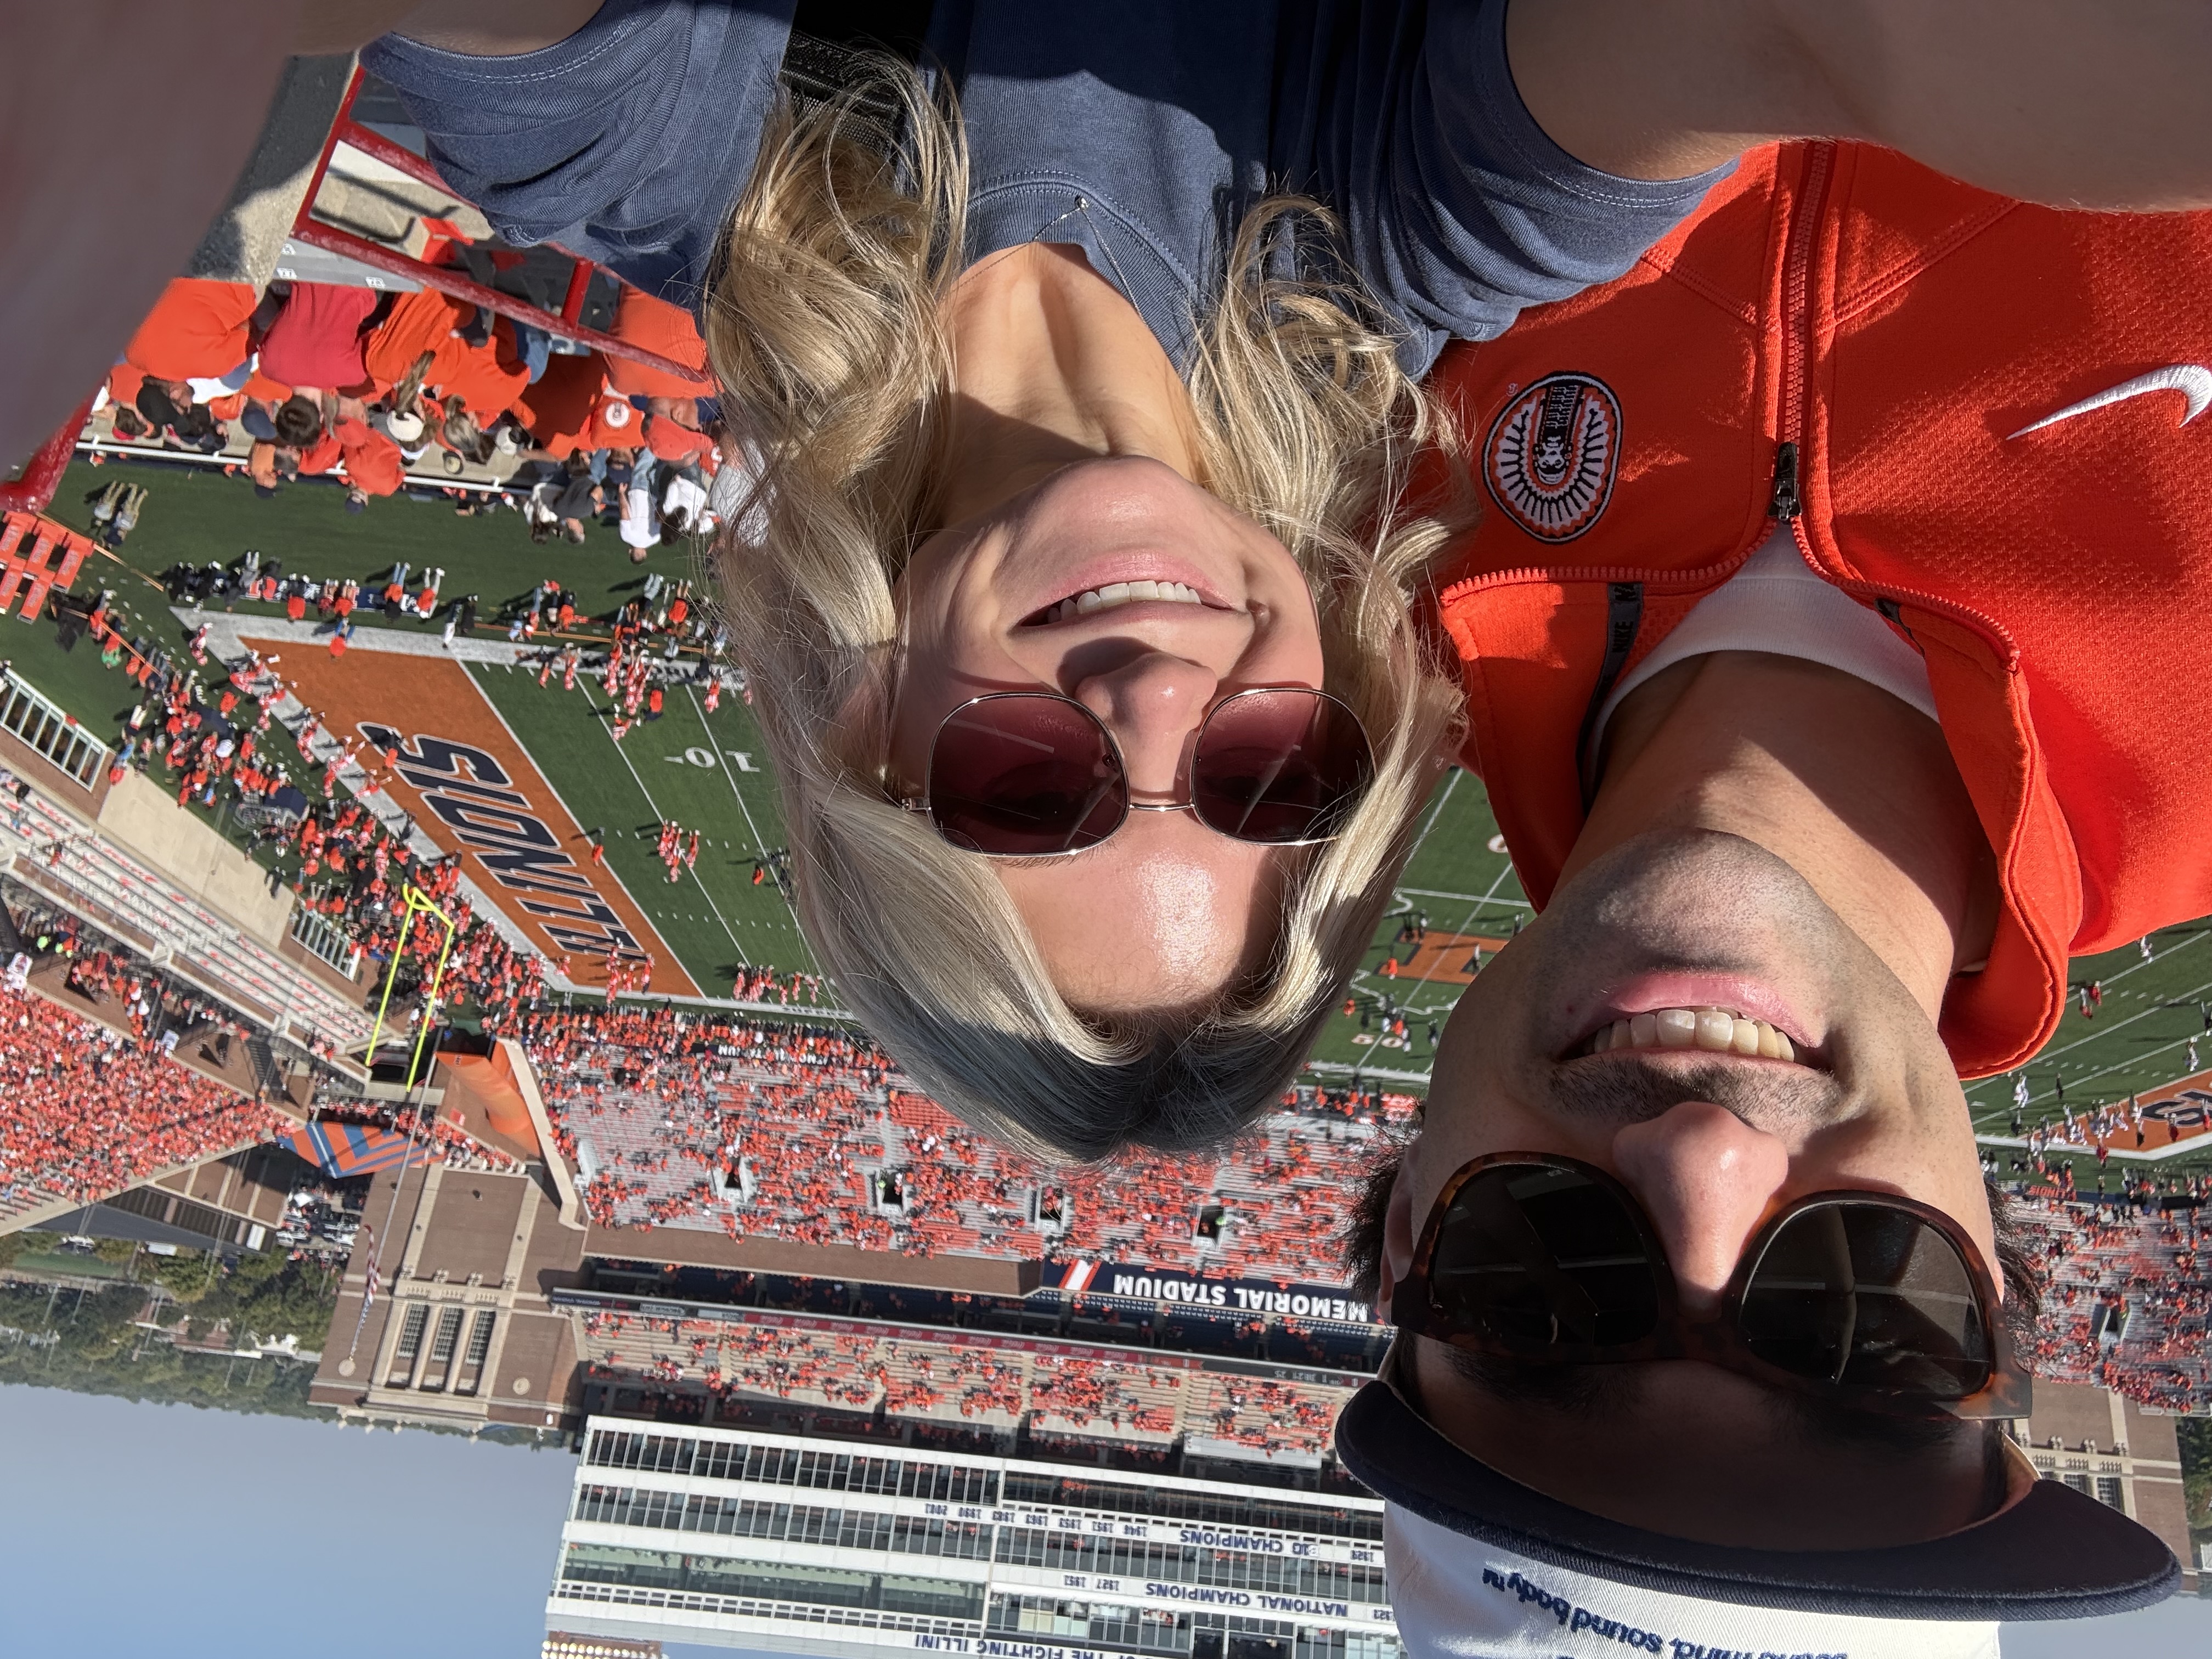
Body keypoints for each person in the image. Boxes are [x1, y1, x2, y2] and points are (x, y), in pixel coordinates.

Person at [360, 1, 2212, 1169]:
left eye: (1032, 794)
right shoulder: (1399, 236)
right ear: (1353, 696)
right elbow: (1801, 34)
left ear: (865, 730)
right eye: (1267, 779)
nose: (1154, 704)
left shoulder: (647, 164)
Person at [1324, 121, 2212, 1644]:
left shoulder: (1312, 497)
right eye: (1860, 1315)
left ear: (1412, 1232)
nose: (1704, 1155)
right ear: (1998, 1280)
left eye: (1544, 1292)